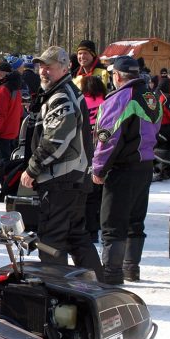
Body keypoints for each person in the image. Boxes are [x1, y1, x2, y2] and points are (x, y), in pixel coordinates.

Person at [19, 47, 102, 277]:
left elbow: (56, 139)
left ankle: (55, 289)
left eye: (50, 66)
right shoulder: (59, 92)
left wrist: (33, 169)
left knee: (51, 240)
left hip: (62, 179)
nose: (43, 71)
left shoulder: (61, 95)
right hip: (72, 177)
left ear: (65, 68)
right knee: (77, 237)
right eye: (41, 66)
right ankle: (98, 284)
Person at [91, 55, 162, 284]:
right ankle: (132, 267)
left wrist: (99, 168)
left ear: (117, 76)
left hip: (123, 167)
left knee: (112, 222)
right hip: (145, 164)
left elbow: (108, 137)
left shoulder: (123, 97)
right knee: (135, 219)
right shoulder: (150, 96)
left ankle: (111, 273)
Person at [0, 61, 22, 201]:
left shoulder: (3, 89)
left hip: (2, 132)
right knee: (8, 164)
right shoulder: (16, 88)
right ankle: (8, 191)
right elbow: (19, 112)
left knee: (3, 165)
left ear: (4, 74)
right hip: (12, 131)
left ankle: (5, 192)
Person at [81, 74, 106, 241]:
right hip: (104, 151)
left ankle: (89, 230)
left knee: (88, 195)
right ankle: (99, 226)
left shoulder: (82, 101)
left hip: (85, 151)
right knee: (102, 194)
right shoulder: (107, 102)